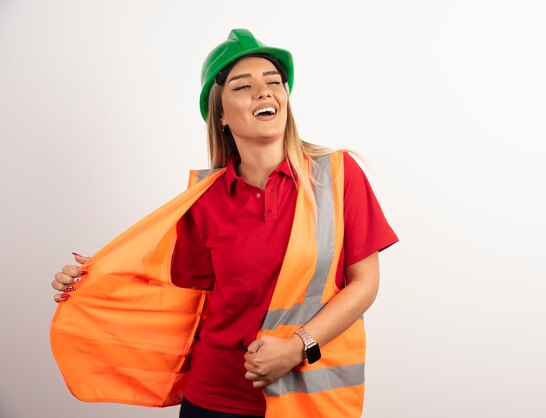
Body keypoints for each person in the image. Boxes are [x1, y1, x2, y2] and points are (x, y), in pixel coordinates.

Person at [50, 29, 398, 418]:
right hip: (213, 399)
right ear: (219, 114)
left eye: (273, 83)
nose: (264, 92)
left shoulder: (337, 176)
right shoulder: (203, 200)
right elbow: (178, 295)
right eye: (243, 86)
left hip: (308, 399)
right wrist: (90, 281)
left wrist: (297, 346)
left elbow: (364, 283)